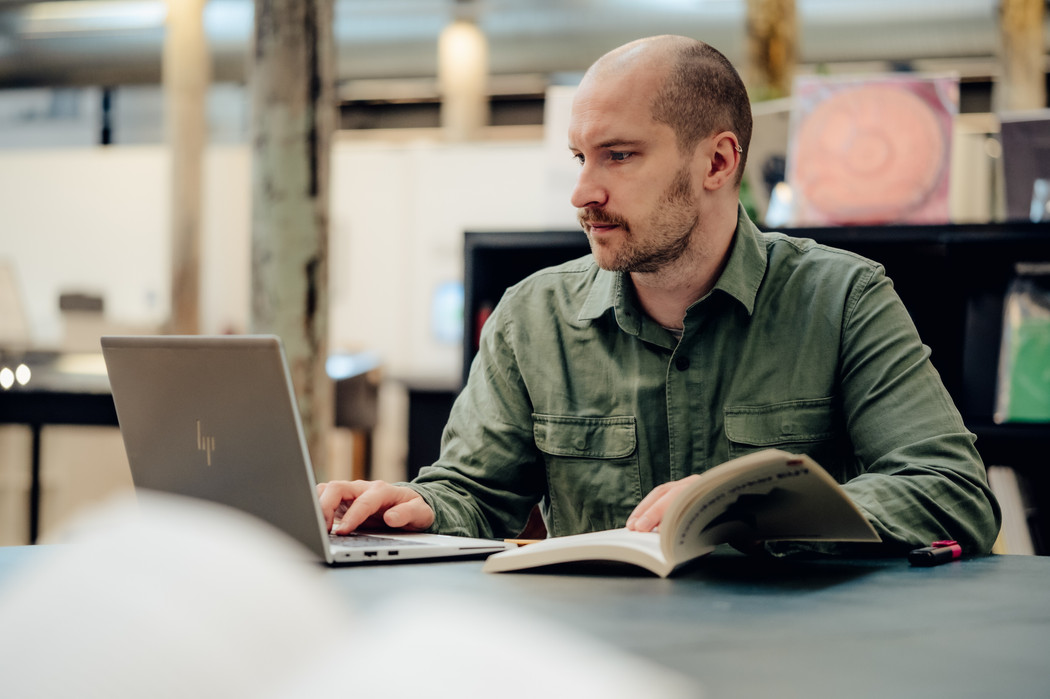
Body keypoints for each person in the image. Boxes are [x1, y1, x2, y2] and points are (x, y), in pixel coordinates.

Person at [318, 34, 1001, 556]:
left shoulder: (842, 298)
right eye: (579, 157)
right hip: (600, 665)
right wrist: (411, 507)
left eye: (618, 155)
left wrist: (756, 512)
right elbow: (470, 492)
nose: (583, 192)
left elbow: (951, 492)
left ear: (717, 161)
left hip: (792, 660)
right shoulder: (532, 317)